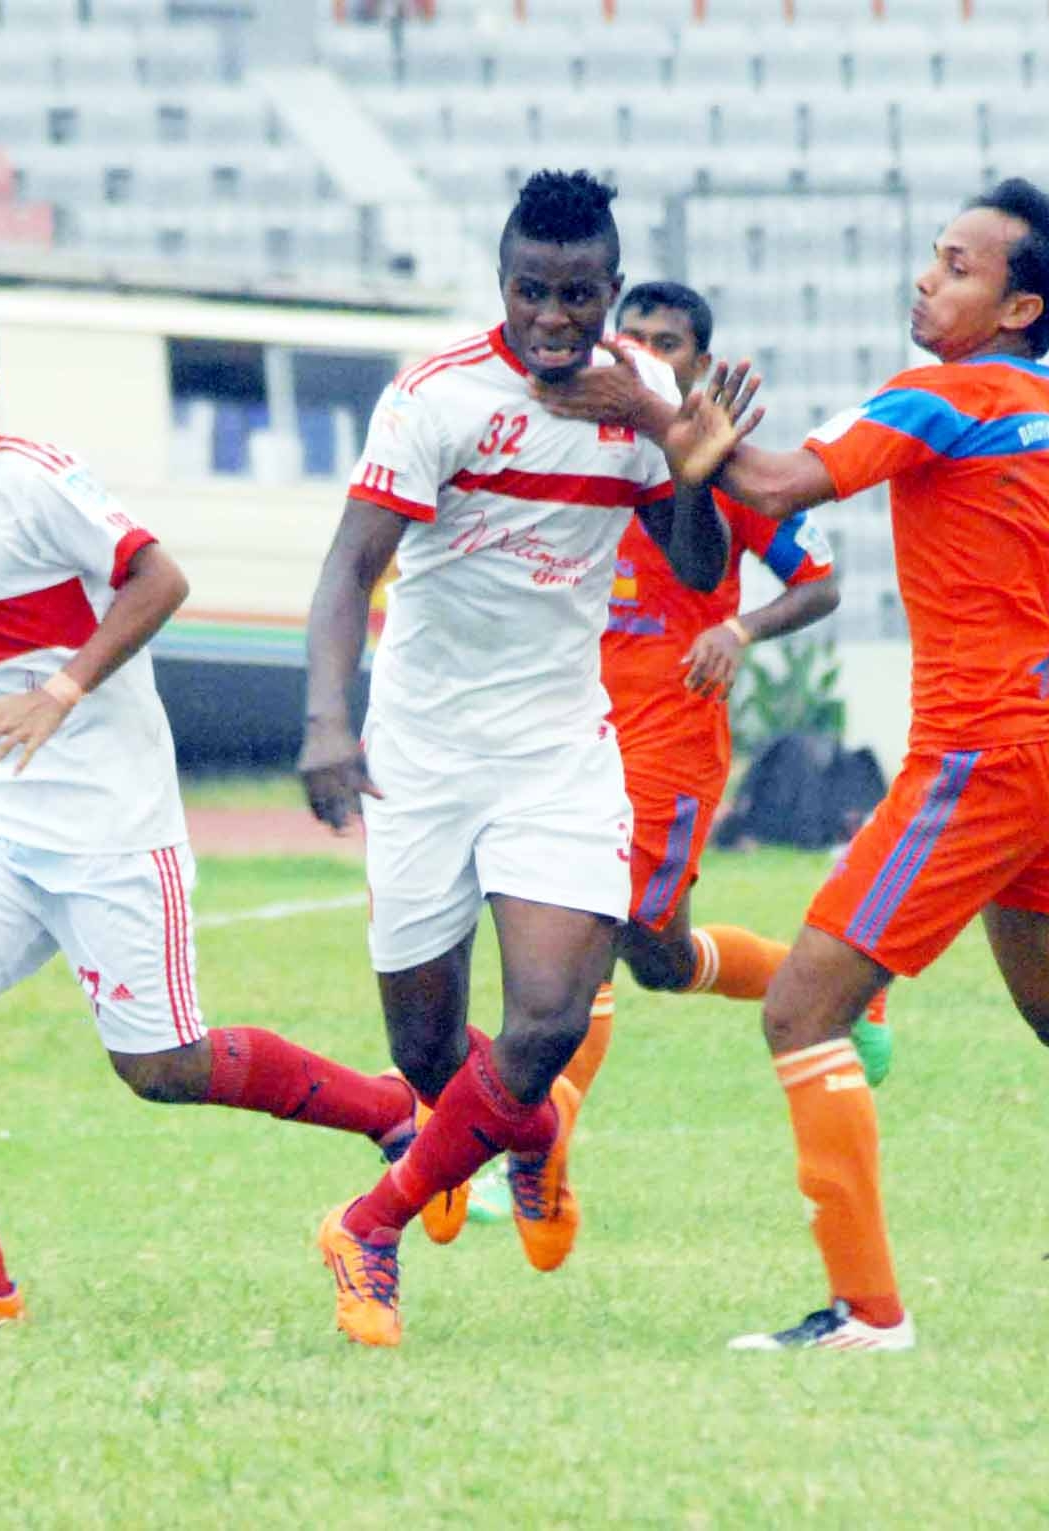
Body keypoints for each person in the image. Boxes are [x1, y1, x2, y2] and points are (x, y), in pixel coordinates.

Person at [540, 178, 1049, 1351]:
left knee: (803, 1008)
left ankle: (866, 1314)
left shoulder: (940, 397)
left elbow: (776, 487)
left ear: (1018, 306)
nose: (928, 278)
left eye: (957, 266)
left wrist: (661, 412)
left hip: (981, 747)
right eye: (933, 257)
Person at [0, 277, 419, 1330]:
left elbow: (158, 581)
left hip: (112, 826)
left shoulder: (40, 481)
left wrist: (62, 689)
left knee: (160, 1066)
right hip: (1, 823)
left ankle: (391, 1110)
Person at [298, 172, 730, 1348]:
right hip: (425, 752)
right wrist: (329, 722)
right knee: (428, 1051)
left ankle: (368, 1226)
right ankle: (528, 1141)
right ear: (503, 285)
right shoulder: (438, 397)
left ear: (610, 289)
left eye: (580, 294)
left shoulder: (641, 394)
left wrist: (673, 445)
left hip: (556, 746)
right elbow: (347, 569)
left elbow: (695, 569)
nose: (555, 317)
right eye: (533, 292)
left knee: (545, 1020)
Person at [457, 279, 882, 1228]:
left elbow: (818, 584)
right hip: (569, 726)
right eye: (633, 334)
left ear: (696, 361)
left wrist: (739, 624)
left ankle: (521, 1149)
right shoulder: (575, 441)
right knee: (661, 954)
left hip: (670, 734)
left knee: (588, 940)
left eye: (669, 341)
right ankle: (839, 985)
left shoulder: (725, 466)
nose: (646, 350)